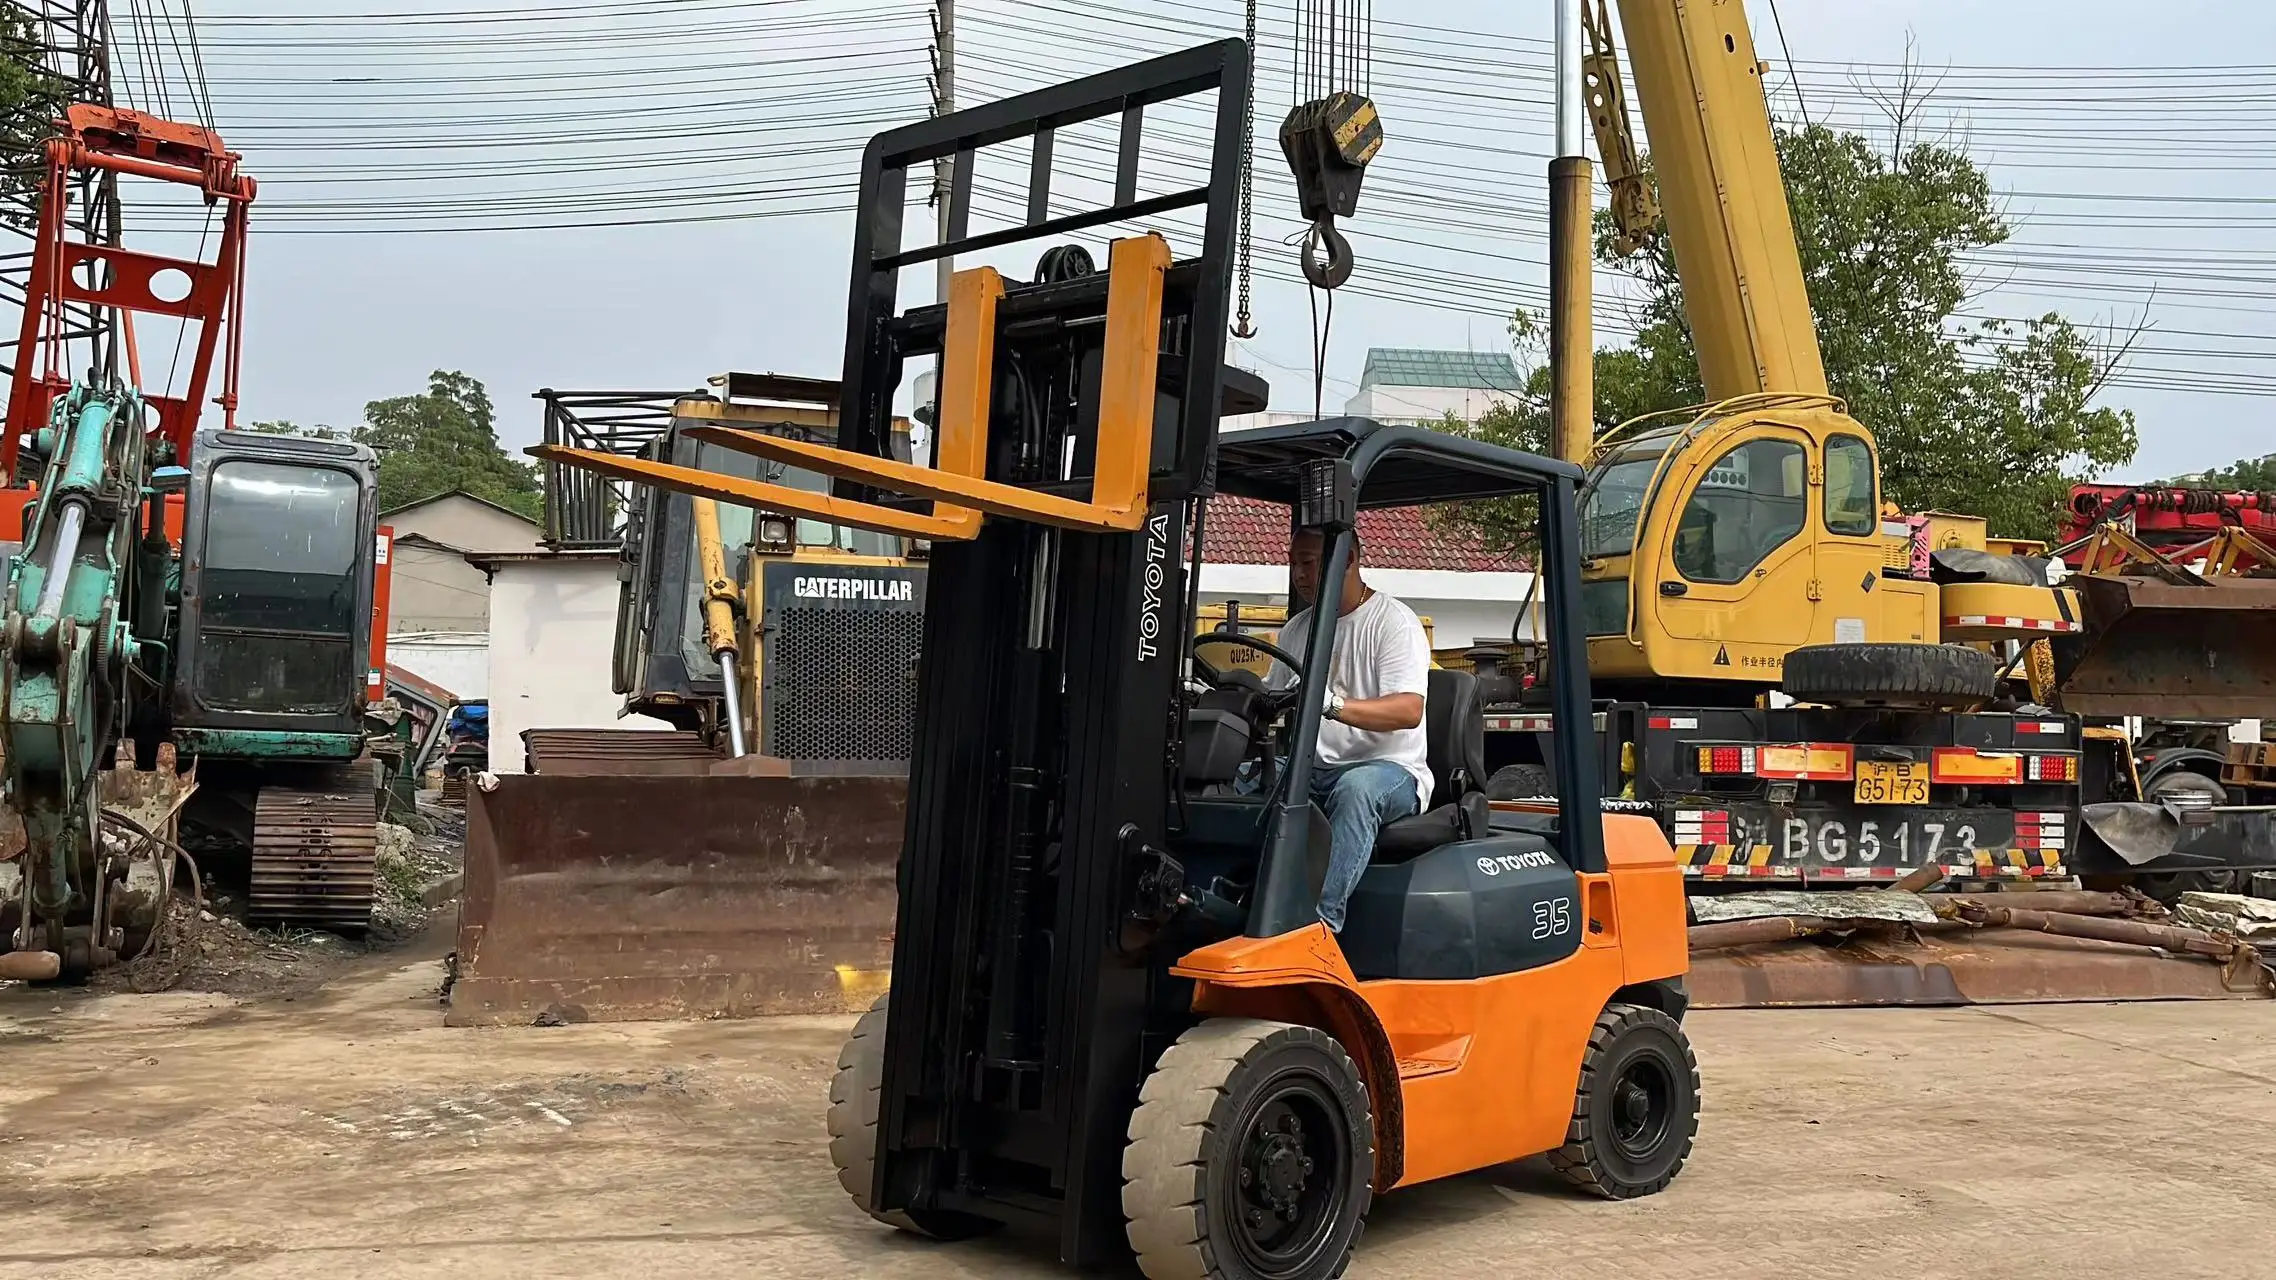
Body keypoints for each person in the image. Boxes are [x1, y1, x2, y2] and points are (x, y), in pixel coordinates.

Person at [1270, 528, 1432, 932]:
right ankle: (1241, 897)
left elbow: (1409, 710)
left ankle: (1318, 928)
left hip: (1389, 769)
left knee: (1356, 791)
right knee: (1248, 780)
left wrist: (1332, 705)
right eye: (1294, 563)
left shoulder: (1393, 623)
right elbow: (1271, 698)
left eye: (1308, 562)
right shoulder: (1297, 630)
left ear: (1348, 559)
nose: (1299, 574)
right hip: (1316, 768)